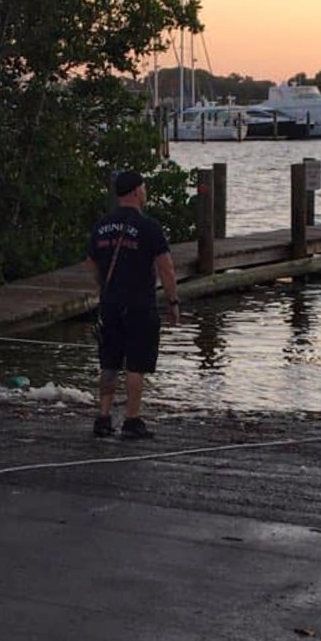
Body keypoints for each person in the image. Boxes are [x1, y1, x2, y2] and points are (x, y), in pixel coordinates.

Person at [86, 169, 180, 439]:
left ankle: (103, 417)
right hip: (139, 302)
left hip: (110, 302)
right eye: (144, 188)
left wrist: (104, 284)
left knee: (109, 362)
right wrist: (173, 301)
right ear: (137, 191)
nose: (145, 193)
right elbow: (166, 267)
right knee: (137, 363)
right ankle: (132, 419)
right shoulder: (149, 227)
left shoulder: (102, 225)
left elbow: (90, 261)